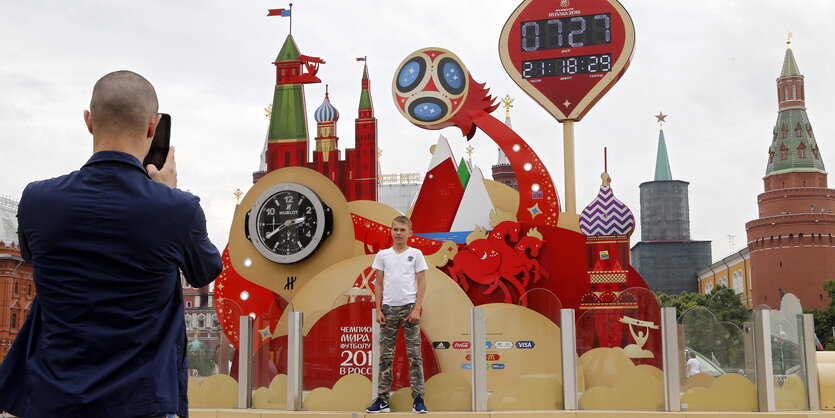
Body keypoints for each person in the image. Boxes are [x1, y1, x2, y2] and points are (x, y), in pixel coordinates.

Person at [0, 70, 223, 418]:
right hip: (141, 402)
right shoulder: (179, 209)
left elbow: (31, 256)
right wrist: (169, 194)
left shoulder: (37, 199)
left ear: (88, 121)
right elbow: (205, 270)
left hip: (49, 398)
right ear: (153, 126)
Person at [366, 216, 428, 414]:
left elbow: (422, 282)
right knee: (385, 356)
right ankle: (382, 400)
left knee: (414, 356)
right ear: (391, 231)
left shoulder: (416, 254)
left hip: (410, 308)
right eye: (396, 229)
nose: (399, 233)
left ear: (410, 232)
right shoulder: (383, 255)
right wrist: (378, 309)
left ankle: (418, 399)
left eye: (402, 229)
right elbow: (378, 283)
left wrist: (417, 307)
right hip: (388, 309)